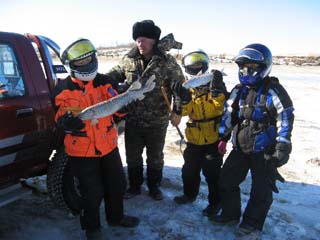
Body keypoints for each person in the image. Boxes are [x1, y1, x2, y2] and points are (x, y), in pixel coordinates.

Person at [51, 39, 139, 240]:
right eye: (81, 62)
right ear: (72, 65)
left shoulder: (106, 82)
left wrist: (124, 109)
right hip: (81, 151)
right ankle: (92, 227)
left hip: (108, 146)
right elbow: (59, 118)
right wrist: (66, 123)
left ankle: (116, 218)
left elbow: (116, 112)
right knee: (91, 191)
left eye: (89, 58)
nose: (87, 64)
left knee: (117, 184)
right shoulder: (61, 90)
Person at [210, 43, 294, 239]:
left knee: (261, 191)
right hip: (240, 148)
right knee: (226, 181)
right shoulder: (238, 91)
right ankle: (231, 214)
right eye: (243, 67)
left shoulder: (273, 90)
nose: (246, 71)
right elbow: (229, 115)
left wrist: (283, 145)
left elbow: (286, 117)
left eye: (252, 67)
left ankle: (252, 224)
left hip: (264, 150)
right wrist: (223, 136)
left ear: (263, 67)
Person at [106, 20, 185, 201]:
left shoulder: (167, 62)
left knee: (155, 157)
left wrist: (178, 111)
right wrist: (96, 78)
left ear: (154, 41)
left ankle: (154, 187)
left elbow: (180, 89)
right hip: (132, 119)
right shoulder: (128, 60)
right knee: (132, 156)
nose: (140, 44)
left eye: (144, 40)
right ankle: (134, 186)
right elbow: (112, 75)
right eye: (138, 40)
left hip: (158, 120)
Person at [170, 50, 228, 217]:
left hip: (213, 139)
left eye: (198, 66)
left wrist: (217, 91)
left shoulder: (216, 85)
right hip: (194, 140)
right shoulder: (187, 88)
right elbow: (185, 112)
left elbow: (219, 108)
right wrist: (181, 99)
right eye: (192, 67)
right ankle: (189, 195)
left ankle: (215, 203)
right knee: (188, 171)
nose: (196, 69)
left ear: (205, 66)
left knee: (212, 174)